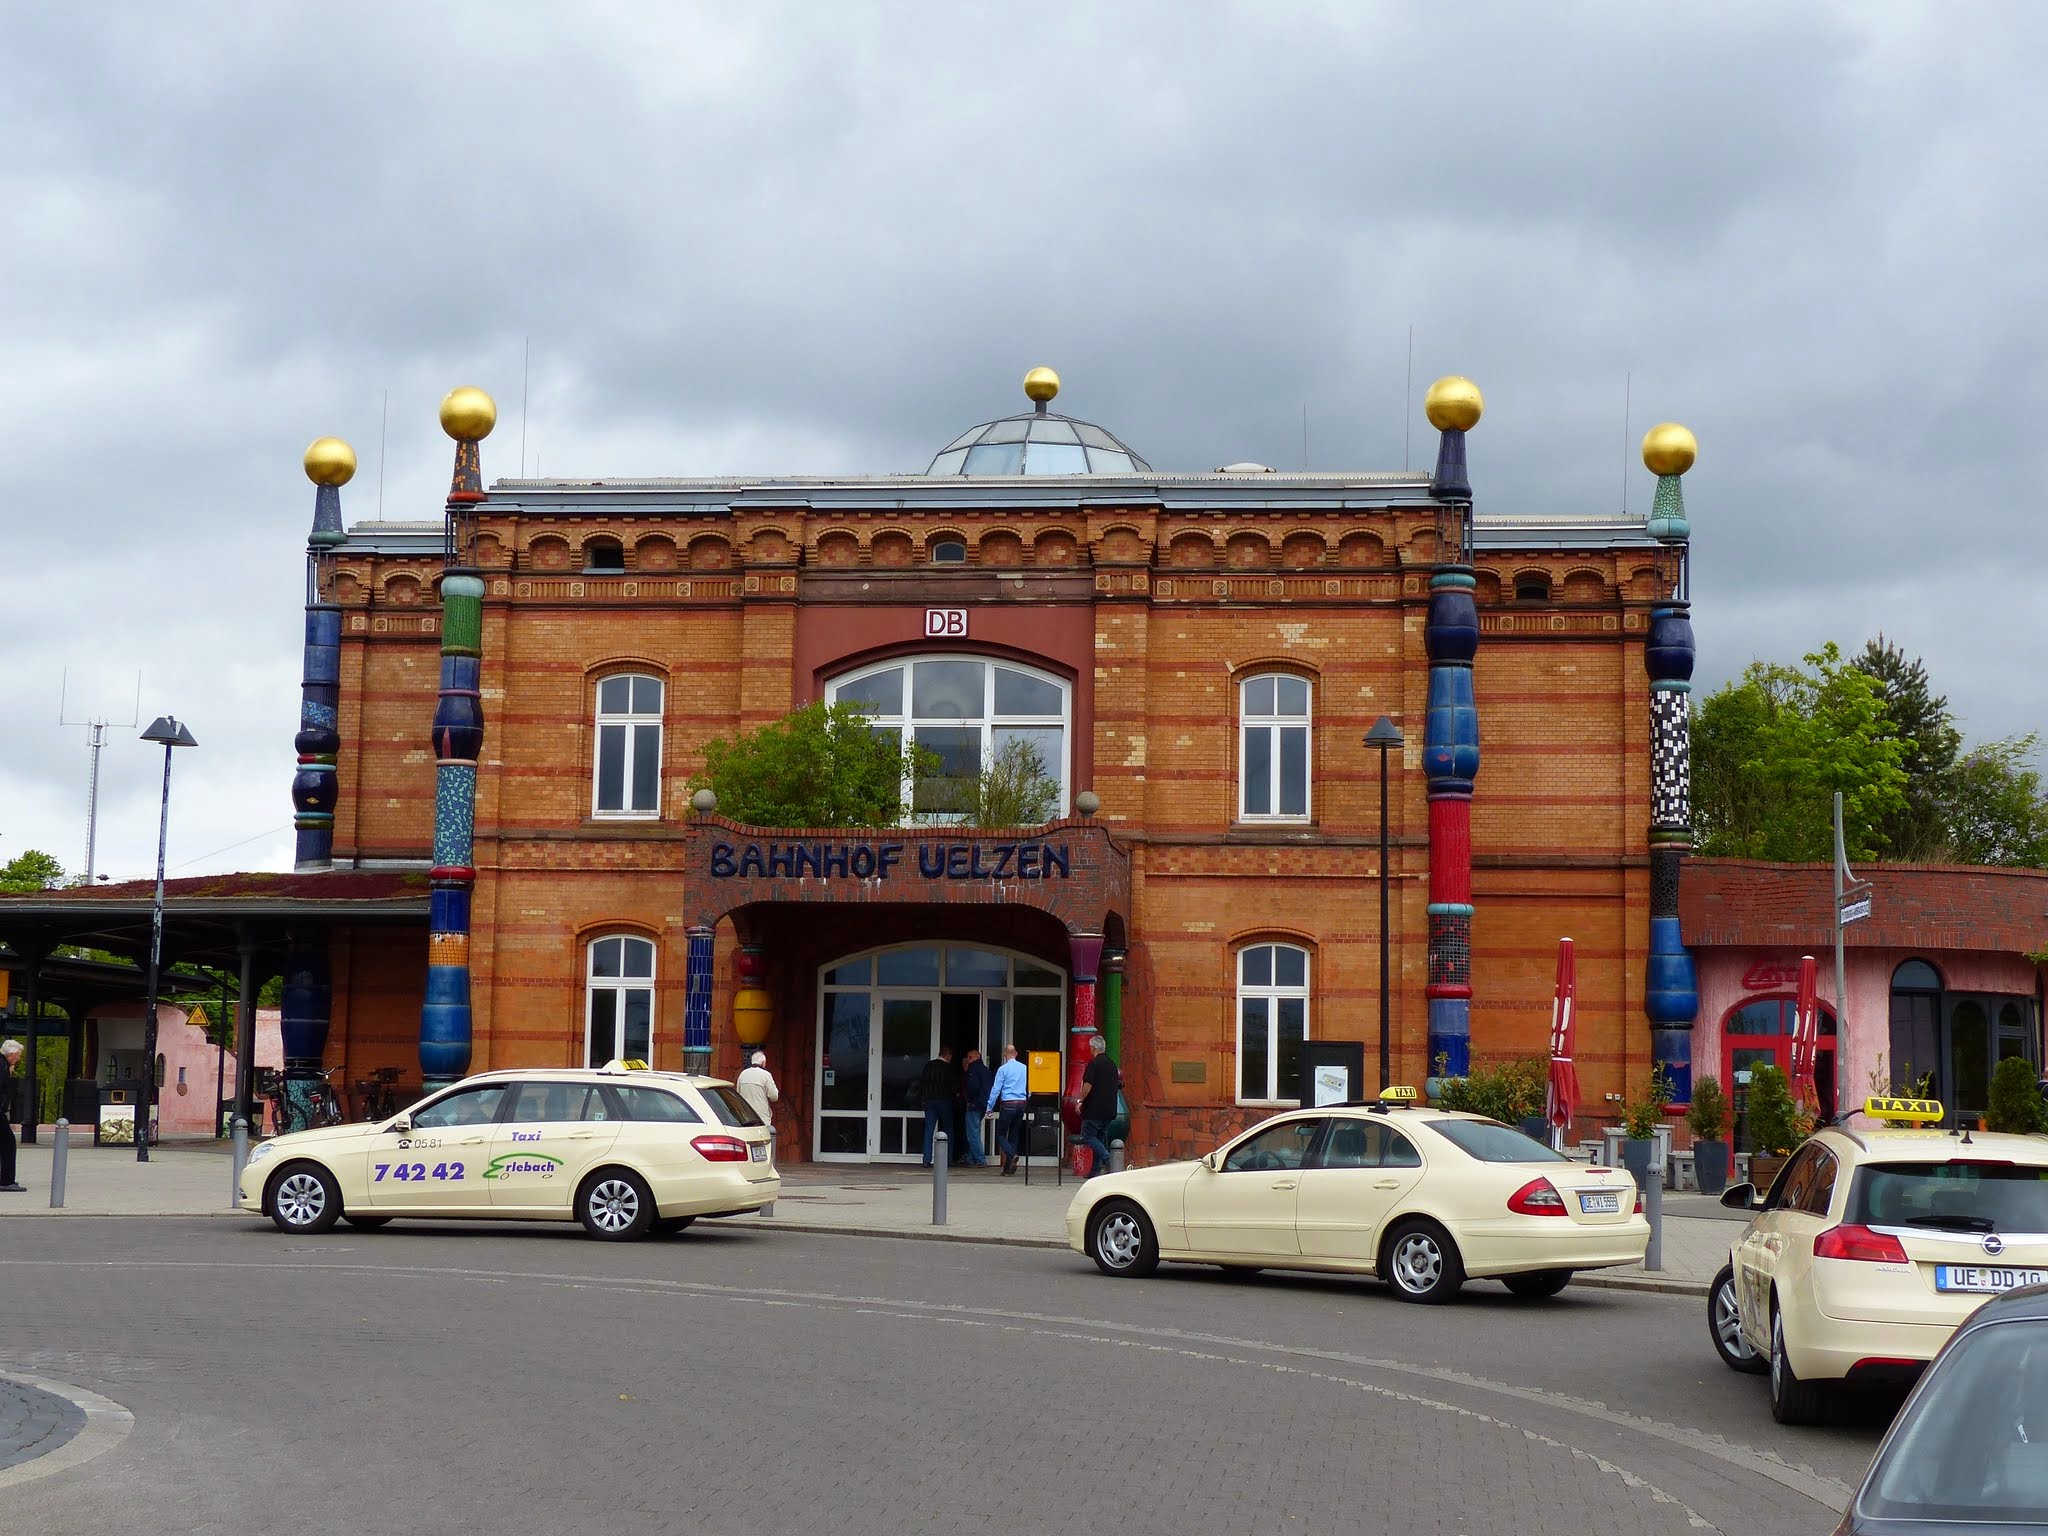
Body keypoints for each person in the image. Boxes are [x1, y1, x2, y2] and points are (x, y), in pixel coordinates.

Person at [1077, 1034, 1121, 1179]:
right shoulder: (1112, 1064)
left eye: (1090, 1047)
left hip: (1094, 1110)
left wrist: (1080, 1100)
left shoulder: (1094, 1064)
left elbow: (1088, 1085)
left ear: (1093, 1048)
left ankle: (1108, 1158)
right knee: (1099, 1139)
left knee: (1088, 1136)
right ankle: (1095, 1170)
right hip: (1109, 1110)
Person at [987, 1043, 1029, 1175]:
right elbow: (1030, 1087)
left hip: (1008, 1103)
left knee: (1000, 1134)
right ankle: (1008, 1169)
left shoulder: (1003, 1069)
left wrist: (989, 1106)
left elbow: (996, 1089)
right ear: (1015, 1054)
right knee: (1014, 1135)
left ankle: (1012, 1154)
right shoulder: (1025, 1068)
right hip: (1021, 1103)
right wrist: (1026, 1098)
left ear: (1005, 1055)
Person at [917, 1044, 959, 1168]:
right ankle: (947, 1159)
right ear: (948, 1056)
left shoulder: (928, 1066)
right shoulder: (947, 1068)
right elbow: (952, 1086)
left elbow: (922, 1083)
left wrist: (923, 1100)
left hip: (929, 1101)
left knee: (929, 1129)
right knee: (948, 1129)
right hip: (943, 1101)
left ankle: (926, 1159)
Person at [958, 1047, 992, 1168]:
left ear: (977, 1057)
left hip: (974, 1105)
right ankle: (971, 1158)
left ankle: (980, 1159)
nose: (968, 1060)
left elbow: (972, 1087)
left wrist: (971, 1101)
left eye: (970, 1057)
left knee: (972, 1134)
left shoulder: (973, 1070)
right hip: (982, 1105)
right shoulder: (985, 1070)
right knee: (975, 1131)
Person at [0, 1039, 25, 1193]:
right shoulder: (2, 1066)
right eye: (18, 1055)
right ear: (11, 1055)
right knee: (8, 1144)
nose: (19, 1058)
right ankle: (6, 1180)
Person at [736, 1050, 779, 1131]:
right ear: (763, 1062)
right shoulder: (766, 1075)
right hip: (761, 1118)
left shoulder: (743, 1074)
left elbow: (738, 1095)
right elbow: (774, 1096)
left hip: (746, 1117)